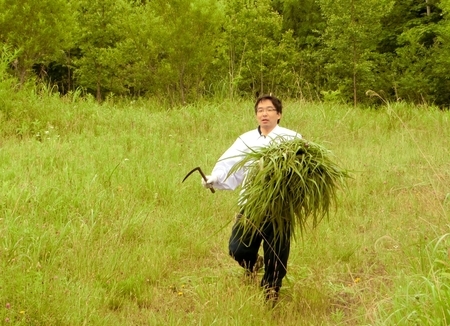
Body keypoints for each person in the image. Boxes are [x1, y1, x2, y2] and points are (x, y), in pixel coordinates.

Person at [201, 94, 302, 301]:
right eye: (260, 110)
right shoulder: (245, 139)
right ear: (256, 115)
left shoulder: (293, 139)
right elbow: (229, 164)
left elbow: (303, 170)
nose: (264, 114)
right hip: (251, 202)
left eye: (269, 110)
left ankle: (271, 293)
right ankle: (254, 263)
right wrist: (214, 178)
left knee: (277, 253)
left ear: (279, 114)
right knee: (237, 248)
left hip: (280, 206)